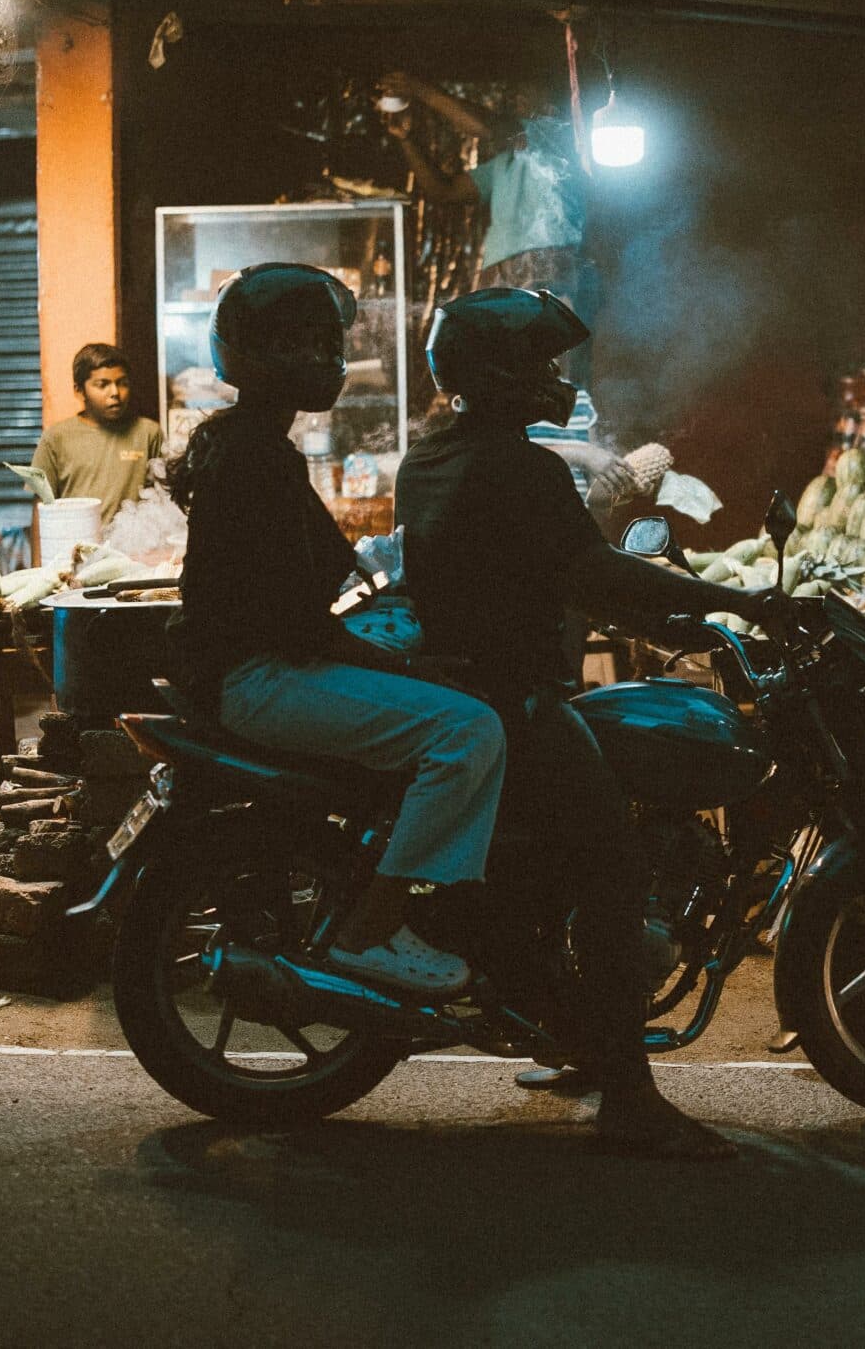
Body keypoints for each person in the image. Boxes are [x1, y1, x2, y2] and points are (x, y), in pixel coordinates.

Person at [397, 286, 789, 1162]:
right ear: (495, 370)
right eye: (533, 360)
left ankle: (577, 1032)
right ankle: (629, 1095)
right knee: (614, 865)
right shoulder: (518, 467)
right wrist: (731, 601)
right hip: (514, 701)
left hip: (469, 689)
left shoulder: (432, 455)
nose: (550, 375)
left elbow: (554, 569)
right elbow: (597, 575)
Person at [164, 265, 504, 994]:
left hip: (254, 666)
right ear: (248, 355)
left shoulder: (256, 442)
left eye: (328, 342)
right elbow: (292, 623)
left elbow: (312, 587)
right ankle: (370, 930)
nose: (323, 360)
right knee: (467, 731)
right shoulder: (255, 455)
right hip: (257, 677)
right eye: (297, 343)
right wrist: (404, 667)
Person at [378, 72, 598, 377]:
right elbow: (443, 192)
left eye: (528, 92)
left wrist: (419, 88)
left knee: (552, 365)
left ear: (551, 104)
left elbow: (486, 128)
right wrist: (407, 141)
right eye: (516, 94)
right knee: (502, 368)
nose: (517, 99)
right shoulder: (504, 163)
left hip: (546, 264)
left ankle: (562, 420)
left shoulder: (557, 135)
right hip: (500, 271)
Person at [31, 343, 165, 522]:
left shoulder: (149, 433)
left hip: (132, 546)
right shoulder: (55, 438)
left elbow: (163, 500)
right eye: (103, 385)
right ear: (79, 391)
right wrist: (41, 551)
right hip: (75, 546)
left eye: (122, 383)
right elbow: (41, 505)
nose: (115, 392)